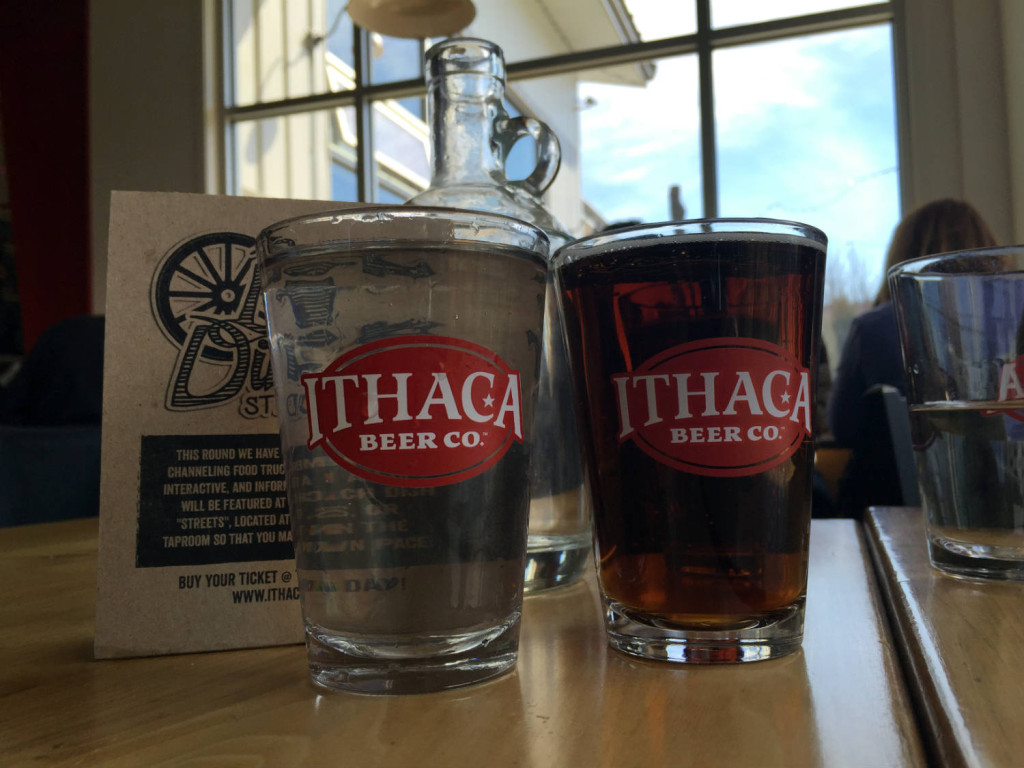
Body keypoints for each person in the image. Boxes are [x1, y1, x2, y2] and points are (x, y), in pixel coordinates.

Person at [827, 199, 998, 447]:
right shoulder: (1010, 317)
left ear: (902, 252)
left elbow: (843, 427)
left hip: (896, 482)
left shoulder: (875, 327)